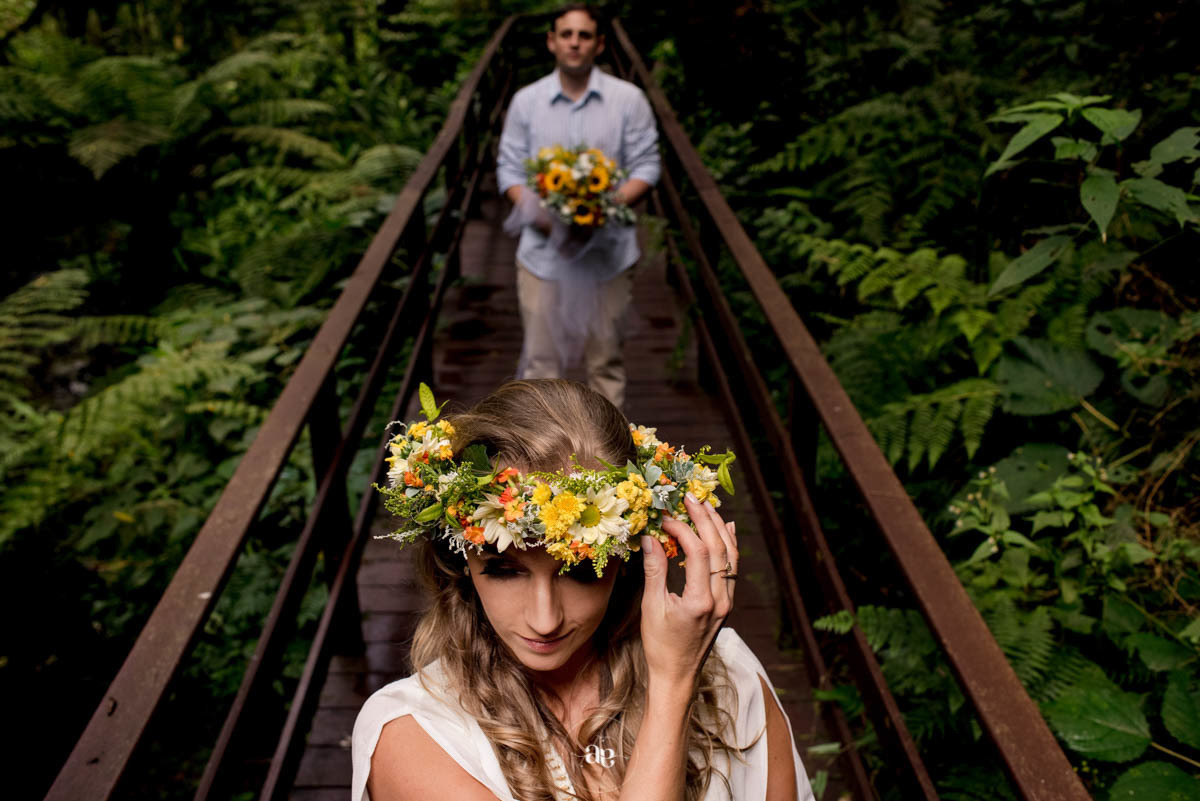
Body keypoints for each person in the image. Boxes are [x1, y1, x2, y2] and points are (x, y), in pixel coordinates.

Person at [352, 379, 815, 801]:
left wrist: (677, 677)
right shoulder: (411, 734)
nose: (545, 619)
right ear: (460, 559)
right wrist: (674, 688)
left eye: (581, 571)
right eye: (504, 570)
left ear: (633, 557)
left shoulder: (730, 675)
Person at [495, 5, 660, 410]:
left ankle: (608, 467)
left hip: (609, 254)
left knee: (605, 365)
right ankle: (541, 467)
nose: (574, 42)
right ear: (551, 41)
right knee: (540, 369)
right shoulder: (526, 102)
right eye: (566, 34)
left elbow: (648, 164)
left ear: (599, 44)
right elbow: (509, 169)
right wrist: (543, 215)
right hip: (543, 256)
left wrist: (607, 206)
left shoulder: (629, 100)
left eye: (584, 35)